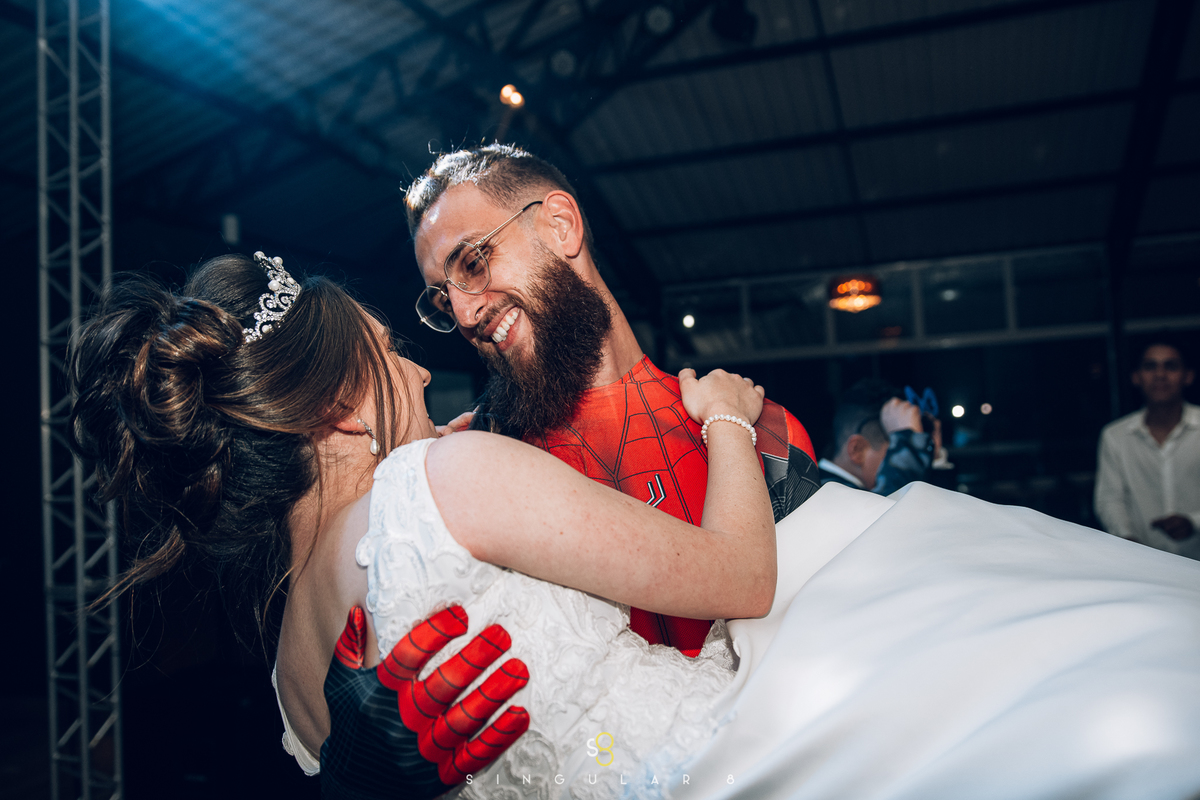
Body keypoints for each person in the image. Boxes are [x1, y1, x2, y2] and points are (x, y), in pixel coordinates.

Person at [71, 254, 1200, 799]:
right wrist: (726, 421)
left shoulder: (288, 675)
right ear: (336, 409)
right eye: (388, 350)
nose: (417, 367)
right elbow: (739, 577)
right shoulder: (447, 478)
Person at [405, 143, 820, 657]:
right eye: (445, 299)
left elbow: (821, 645)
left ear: (561, 225)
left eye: (473, 262)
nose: (466, 314)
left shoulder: (766, 434)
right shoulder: (477, 466)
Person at [1095, 341, 1200, 560]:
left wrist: (1194, 522)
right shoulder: (1116, 436)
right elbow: (1109, 498)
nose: (1160, 375)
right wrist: (1127, 538)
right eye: (1150, 366)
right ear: (1136, 377)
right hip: (1144, 565)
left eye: (1170, 366)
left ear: (1188, 376)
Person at [817, 379, 936, 494]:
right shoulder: (828, 494)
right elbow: (893, 507)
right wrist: (909, 444)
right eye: (893, 451)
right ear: (857, 450)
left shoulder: (822, 484)